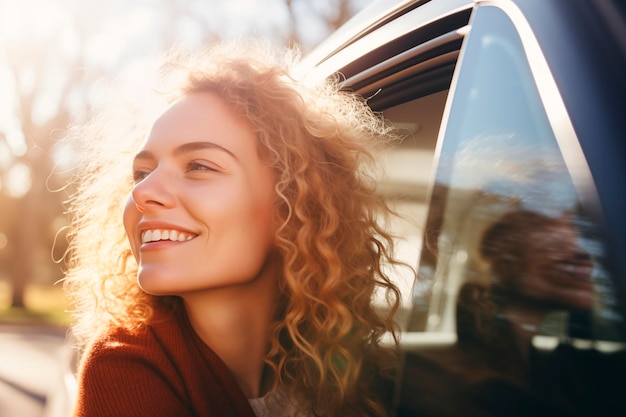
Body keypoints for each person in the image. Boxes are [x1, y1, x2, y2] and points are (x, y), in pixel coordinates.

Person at [62, 39, 404, 417]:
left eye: (199, 166)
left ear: (293, 203)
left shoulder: (336, 366)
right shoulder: (125, 368)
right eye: (142, 172)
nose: (142, 191)